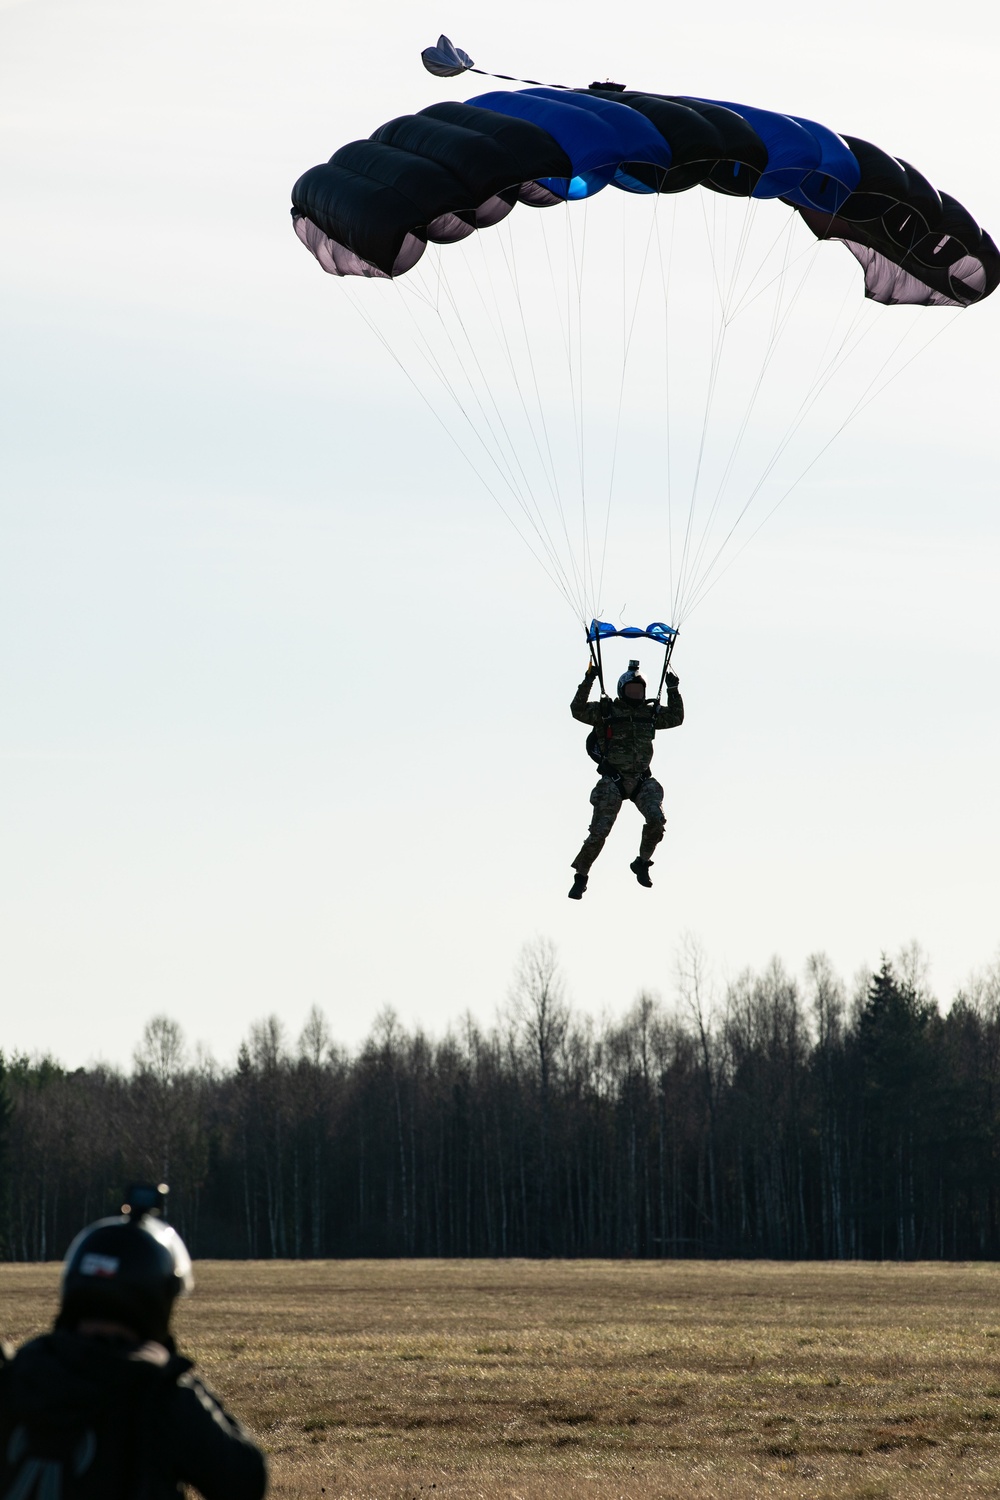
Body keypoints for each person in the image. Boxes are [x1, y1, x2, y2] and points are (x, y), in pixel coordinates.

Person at [0, 1187, 268, 1500]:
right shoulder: (158, 1397)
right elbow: (246, 1482)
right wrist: (176, 1379)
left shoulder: (16, 1375)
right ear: (156, 1299)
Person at [568, 658, 684, 898]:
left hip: (642, 780)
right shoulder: (606, 711)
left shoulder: (650, 713)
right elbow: (577, 710)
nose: (636, 694)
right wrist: (589, 679)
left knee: (657, 820)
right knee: (599, 832)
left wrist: (673, 689)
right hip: (613, 780)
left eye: (639, 690)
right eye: (631, 690)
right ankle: (581, 874)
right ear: (622, 690)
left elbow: (676, 718)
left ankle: (642, 862)